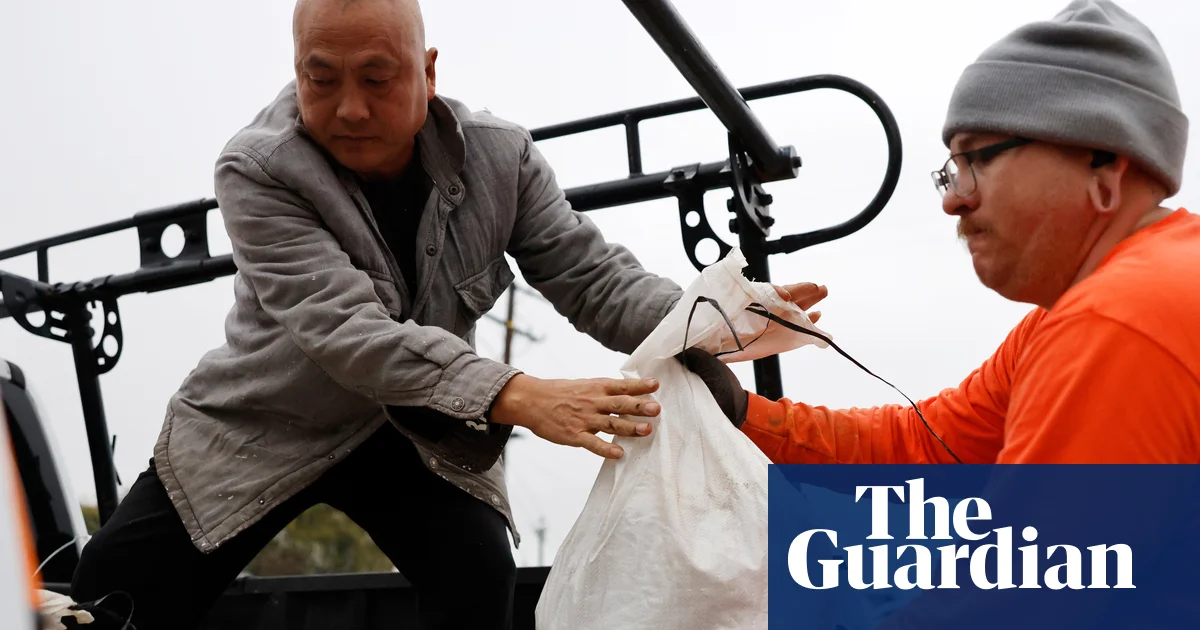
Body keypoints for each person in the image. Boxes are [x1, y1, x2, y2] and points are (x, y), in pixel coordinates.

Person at [66, 1, 817, 628]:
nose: (349, 107)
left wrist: (718, 318)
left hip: (415, 429)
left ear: (428, 73)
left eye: (376, 78)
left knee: (477, 572)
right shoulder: (256, 169)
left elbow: (590, 276)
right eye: (319, 80)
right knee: (109, 590)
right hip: (261, 423)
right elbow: (348, 332)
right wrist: (519, 395)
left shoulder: (502, 158)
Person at [685, 0, 1199, 466]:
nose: (953, 200)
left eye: (978, 159)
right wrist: (744, 412)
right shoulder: (1070, 320)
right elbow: (931, 443)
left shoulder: (1115, 323)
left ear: (1102, 165)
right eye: (951, 170)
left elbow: (1043, 543)